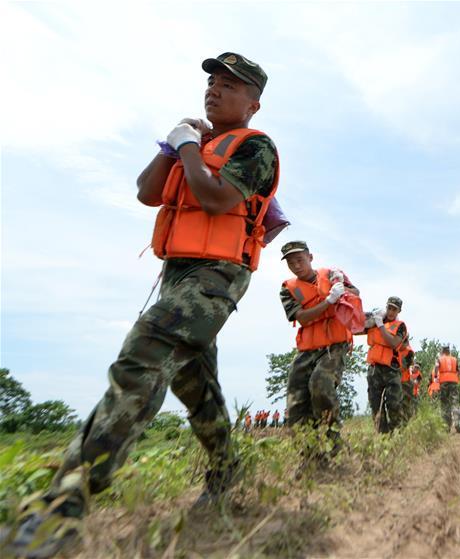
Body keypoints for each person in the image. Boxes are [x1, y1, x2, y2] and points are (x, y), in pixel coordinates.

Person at [1, 52, 278, 557]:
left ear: (253, 104)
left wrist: (190, 148)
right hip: (177, 275)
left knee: (141, 360)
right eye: (212, 82)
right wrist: (173, 146)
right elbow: (146, 192)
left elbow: (215, 199)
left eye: (228, 86)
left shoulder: (256, 149)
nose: (214, 90)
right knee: (194, 382)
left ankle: (62, 505)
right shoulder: (193, 142)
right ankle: (227, 468)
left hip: (216, 277)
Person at [280, 241, 359, 450]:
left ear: (310, 257)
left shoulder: (332, 274)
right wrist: (329, 302)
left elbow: (356, 294)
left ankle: (334, 438)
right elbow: (302, 318)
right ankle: (309, 454)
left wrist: (343, 290)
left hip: (334, 346)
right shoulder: (288, 289)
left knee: (320, 383)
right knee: (295, 399)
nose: (296, 265)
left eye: (299, 259)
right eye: (290, 262)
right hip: (307, 349)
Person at [365, 297, 407, 433]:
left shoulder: (400, 326)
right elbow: (357, 328)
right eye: (389, 308)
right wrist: (370, 317)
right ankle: (382, 436)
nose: (390, 311)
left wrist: (381, 326)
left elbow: (394, 343)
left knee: (394, 404)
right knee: (375, 405)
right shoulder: (376, 321)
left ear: (399, 311)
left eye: (394, 309)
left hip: (391, 370)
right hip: (374, 369)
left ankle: (396, 434)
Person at [437, 346, 460, 433]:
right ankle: (456, 422)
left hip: (443, 382)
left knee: (445, 404)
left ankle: (446, 427)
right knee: (455, 402)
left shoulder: (440, 359)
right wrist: (458, 377)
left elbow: (437, 367)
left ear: (442, 351)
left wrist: (436, 377)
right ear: (449, 351)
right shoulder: (454, 359)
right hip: (454, 382)